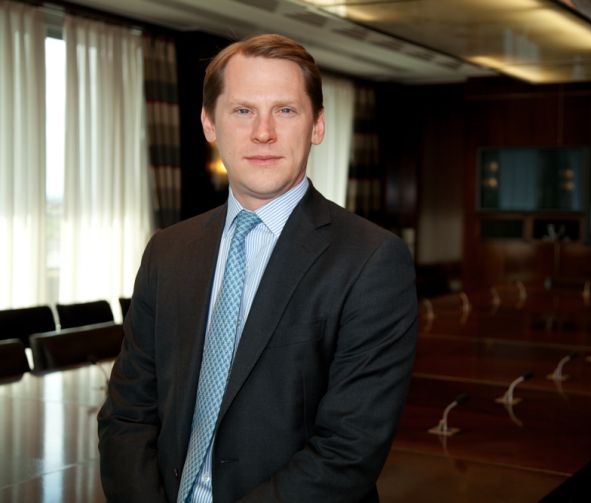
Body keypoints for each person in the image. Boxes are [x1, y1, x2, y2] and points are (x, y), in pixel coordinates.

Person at [98, 34, 418, 502]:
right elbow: (127, 414)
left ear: (317, 125)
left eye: (285, 110)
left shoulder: (372, 259)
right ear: (209, 123)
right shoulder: (167, 250)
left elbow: (348, 450)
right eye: (243, 110)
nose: (263, 132)